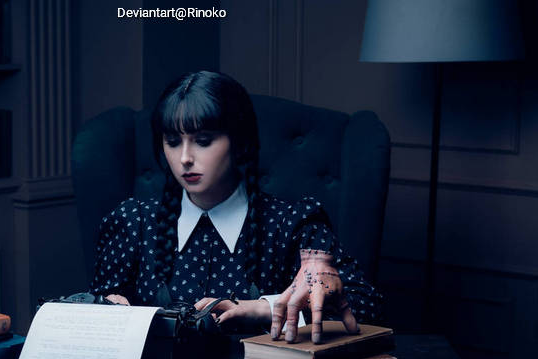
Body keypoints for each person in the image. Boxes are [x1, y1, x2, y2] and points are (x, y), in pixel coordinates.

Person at [89, 70, 383, 343]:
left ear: (239, 142)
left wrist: (265, 308)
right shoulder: (132, 222)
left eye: (203, 141)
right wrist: (106, 310)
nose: (185, 158)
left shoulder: (295, 223)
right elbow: (92, 316)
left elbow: (366, 308)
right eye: (173, 141)